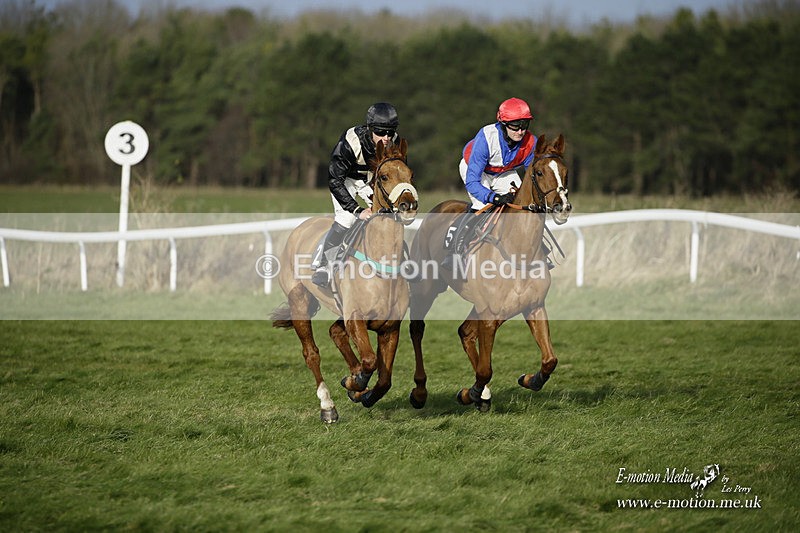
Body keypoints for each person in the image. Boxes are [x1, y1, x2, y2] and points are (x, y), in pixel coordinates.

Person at [311, 102, 400, 288]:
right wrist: (357, 209)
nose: (386, 138)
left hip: (368, 182)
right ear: (369, 129)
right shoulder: (350, 143)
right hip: (344, 181)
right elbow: (334, 179)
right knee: (347, 219)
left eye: (390, 133)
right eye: (380, 132)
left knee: (388, 216)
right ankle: (323, 265)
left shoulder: (395, 142)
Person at [461, 97, 537, 210]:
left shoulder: (531, 142)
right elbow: (472, 182)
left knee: (521, 202)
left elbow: (533, 178)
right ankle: (467, 227)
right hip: (477, 171)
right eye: (515, 126)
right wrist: (494, 198)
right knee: (484, 206)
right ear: (503, 124)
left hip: (503, 172)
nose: (520, 132)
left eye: (524, 125)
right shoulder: (486, 138)